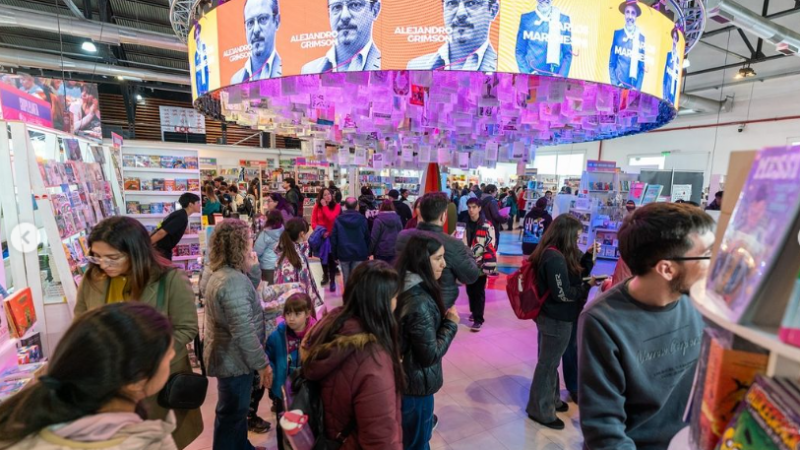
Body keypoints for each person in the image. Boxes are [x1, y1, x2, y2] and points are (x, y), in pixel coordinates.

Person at [579, 203, 713, 449]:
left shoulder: (702, 301)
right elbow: (603, 428)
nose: (713, 263)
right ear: (667, 269)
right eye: (707, 254)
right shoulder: (603, 321)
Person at [73, 217, 201, 448]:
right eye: (97, 256)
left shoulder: (169, 279)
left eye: (113, 257)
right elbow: (81, 323)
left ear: (136, 252)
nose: (104, 264)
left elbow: (186, 328)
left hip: (156, 384)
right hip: (109, 386)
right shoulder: (93, 278)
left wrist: (149, 356)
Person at [0, 303, 178, 450]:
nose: (173, 356)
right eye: (168, 355)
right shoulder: (151, 444)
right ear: (137, 380)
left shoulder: (18, 426)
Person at [301, 260, 404, 449]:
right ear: (381, 303)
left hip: (331, 436)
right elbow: (380, 437)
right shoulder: (374, 359)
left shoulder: (331, 326)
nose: (397, 303)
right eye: (395, 297)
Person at [203, 219, 272, 450]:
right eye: (249, 240)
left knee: (235, 411)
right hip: (234, 359)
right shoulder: (231, 281)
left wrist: (252, 270)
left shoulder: (224, 273)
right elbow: (244, 331)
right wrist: (262, 364)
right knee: (233, 412)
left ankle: (242, 446)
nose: (252, 244)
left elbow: (245, 293)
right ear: (238, 244)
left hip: (230, 356)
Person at [526, 215, 599, 430]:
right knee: (547, 365)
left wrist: (586, 259)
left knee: (550, 362)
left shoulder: (555, 254)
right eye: (576, 238)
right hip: (555, 318)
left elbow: (571, 277)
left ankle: (552, 400)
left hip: (555, 317)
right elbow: (563, 293)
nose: (577, 241)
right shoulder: (554, 258)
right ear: (566, 236)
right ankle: (539, 409)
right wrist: (588, 286)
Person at [395, 235, 459, 449]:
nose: (444, 263)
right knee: (418, 443)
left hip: (404, 380)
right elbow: (429, 355)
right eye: (438, 258)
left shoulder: (404, 284)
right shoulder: (419, 301)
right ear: (422, 260)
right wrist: (450, 324)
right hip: (414, 386)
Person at [396, 192, 480, 309]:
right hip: (439, 305)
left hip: (406, 302)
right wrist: (465, 247)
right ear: (443, 215)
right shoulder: (453, 244)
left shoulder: (403, 235)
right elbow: (470, 276)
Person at [266, 293, 317, 450]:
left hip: (309, 391)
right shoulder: (277, 336)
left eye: (297, 313)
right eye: (288, 313)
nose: (291, 318)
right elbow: (268, 357)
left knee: (307, 425)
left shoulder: (316, 334)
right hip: (284, 391)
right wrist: (273, 376)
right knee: (284, 425)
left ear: (308, 313)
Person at [407, 0, 499, 71]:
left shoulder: (503, 66)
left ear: (492, 10)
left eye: (472, 3)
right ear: (443, 10)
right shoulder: (416, 65)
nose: (460, 13)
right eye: (452, 3)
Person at [301, 0, 382, 74]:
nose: (344, 16)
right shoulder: (309, 70)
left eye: (355, 5)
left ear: (375, 10)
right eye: (337, 7)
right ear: (329, 14)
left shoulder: (386, 63)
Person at [274, 217, 323, 311]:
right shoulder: (291, 259)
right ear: (302, 234)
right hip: (297, 308)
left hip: (299, 305)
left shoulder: (292, 253)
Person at [464, 198, 497, 332]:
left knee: (478, 291)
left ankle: (479, 319)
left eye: (473, 207)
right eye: (469, 207)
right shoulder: (464, 224)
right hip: (466, 262)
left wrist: (486, 263)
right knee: (470, 290)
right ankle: (474, 311)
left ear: (479, 208)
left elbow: (490, 244)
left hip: (480, 263)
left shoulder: (487, 225)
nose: (471, 210)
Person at [515, 0, 573, 76]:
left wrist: (560, 77)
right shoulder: (526, 19)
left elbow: (568, 54)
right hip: (532, 79)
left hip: (555, 80)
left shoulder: (563, 20)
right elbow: (519, 51)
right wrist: (527, 74)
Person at [231, 0, 282, 83]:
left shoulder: (290, 70)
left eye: (262, 19)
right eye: (250, 22)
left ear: (277, 21)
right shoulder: (235, 80)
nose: (256, 30)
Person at [330, 197, 370, 287]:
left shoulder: (338, 219)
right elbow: (367, 236)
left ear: (345, 206)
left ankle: (348, 298)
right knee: (357, 278)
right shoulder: (362, 219)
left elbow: (334, 238)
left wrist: (334, 254)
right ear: (357, 206)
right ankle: (355, 298)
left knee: (346, 278)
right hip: (360, 252)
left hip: (343, 252)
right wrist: (367, 252)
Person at [151, 193, 201, 261]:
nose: (200, 205)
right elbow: (162, 232)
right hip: (161, 251)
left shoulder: (181, 214)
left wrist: (185, 231)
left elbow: (172, 227)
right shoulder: (181, 216)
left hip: (161, 250)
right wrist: (146, 245)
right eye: (198, 202)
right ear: (190, 204)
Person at [609, 0, 646, 90]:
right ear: (624, 14)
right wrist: (615, 84)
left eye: (633, 13)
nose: (630, 16)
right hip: (618, 85)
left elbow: (642, 68)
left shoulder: (641, 38)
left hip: (633, 88)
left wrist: (637, 89)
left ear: (636, 16)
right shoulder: (617, 34)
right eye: (627, 12)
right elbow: (611, 64)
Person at [311, 188, 343, 291]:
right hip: (321, 236)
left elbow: (331, 218)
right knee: (322, 258)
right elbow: (313, 222)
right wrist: (320, 232)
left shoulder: (337, 206)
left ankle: (333, 280)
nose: (328, 196)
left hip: (332, 237)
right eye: (325, 195)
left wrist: (325, 206)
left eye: (329, 194)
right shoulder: (317, 207)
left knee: (331, 259)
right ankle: (325, 275)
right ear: (321, 197)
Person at [254, 210, 285, 283]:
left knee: (268, 290)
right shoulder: (284, 231)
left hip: (267, 266)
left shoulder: (265, 234)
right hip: (280, 264)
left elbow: (257, 251)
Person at [663, 27, 681, 105]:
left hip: (673, 93)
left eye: (675, 38)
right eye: (673, 38)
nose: (674, 40)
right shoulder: (668, 55)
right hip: (666, 92)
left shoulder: (678, 59)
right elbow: (664, 76)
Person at [194, 23, 209, 96]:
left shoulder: (204, 46)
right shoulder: (195, 53)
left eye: (198, 34)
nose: (197, 36)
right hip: (199, 80)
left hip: (206, 78)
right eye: (196, 35)